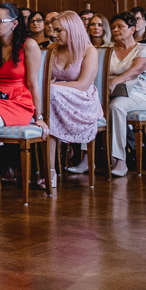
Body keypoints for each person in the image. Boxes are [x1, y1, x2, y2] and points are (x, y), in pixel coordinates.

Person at [0, 3, 45, 188]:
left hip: (18, 100)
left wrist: (40, 117)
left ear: (14, 23)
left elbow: (33, 84)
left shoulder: (28, 45)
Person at [45, 11, 103, 184]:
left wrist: (53, 86)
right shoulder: (51, 49)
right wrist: (50, 88)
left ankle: (50, 171)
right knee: (47, 99)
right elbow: (43, 80)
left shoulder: (89, 51)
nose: (54, 34)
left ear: (72, 30)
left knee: (50, 95)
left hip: (82, 99)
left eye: (58, 31)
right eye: (53, 30)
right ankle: (49, 170)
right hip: (54, 99)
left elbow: (83, 85)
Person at [104, 11, 146, 177]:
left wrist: (115, 81)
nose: (115, 30)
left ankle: (120, 160)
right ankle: (86, 158)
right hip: (111, 93)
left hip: (138, 96)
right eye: (113, 27)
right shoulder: (108, 50)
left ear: (132, 29)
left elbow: (137, 70)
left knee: (116, 106)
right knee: (88, 104)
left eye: (120, 26)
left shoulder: (143, 48)